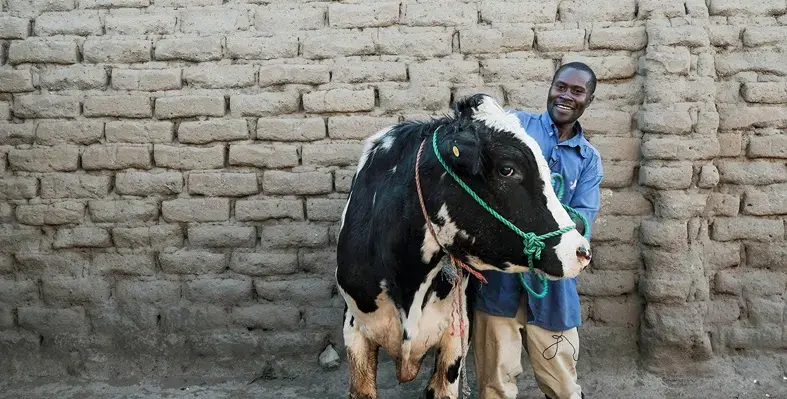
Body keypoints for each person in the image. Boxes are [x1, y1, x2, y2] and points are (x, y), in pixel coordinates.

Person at [471, 62, 604, 399]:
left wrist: (540, 220)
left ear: (589, 99)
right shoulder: (515, 127)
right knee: (494, 387)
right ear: (551, 87)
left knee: (564, 387)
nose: (566, 96)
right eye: (561, 86)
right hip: (499, 282)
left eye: (577, 91)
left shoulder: (588, 158)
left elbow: (582, 221)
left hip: (553, 287)